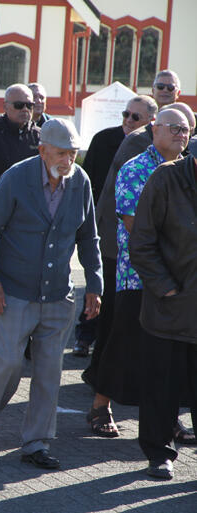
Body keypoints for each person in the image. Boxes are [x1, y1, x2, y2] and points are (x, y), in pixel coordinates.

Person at [0, 119, 102, 469]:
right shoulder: (16, 177)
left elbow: (89, 238)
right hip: (12, 291)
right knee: (9, 361)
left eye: (72, 153)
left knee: (48, 371)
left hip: (59, 296)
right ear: (42, 150)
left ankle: (36, 443)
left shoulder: (80, 182)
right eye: (60, 153)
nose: (67, 160)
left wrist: (95, 285)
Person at [85, 109, 190, 440]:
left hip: (179, 279)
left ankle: (166, 419)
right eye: (173, 128)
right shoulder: (135, 168)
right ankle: (100, 407)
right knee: (123, 346)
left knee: (170, 356)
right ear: (154, 129)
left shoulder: (188, 171)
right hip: (137, 275)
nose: (181, 135)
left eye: (186, 130)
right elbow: (134, 225)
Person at [129, 129, 197, 480]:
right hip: (167, 310)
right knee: (161, 389)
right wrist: (166, 289)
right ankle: (159, 453)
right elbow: (141, 243)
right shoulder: (165, 179)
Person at [71, 95, 157, 357]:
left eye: (135, 117)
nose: (128, 120)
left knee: (114, 299)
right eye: (125, 114)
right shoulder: (104, 139)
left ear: (151, 122)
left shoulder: (152, 147)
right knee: (98, 288)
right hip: (106, 229)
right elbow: (93, 181)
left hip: (127, 239)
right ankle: (85, 338)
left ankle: (104, 352)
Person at [0, 83, 41, 193]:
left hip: (31, 206)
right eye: (19, 105)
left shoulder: (41, 137)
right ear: (5, 106)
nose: (25, 109)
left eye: (29, 105)